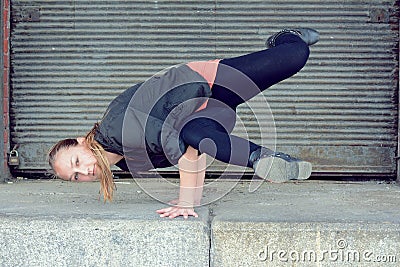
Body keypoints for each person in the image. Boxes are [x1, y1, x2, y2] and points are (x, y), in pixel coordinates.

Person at [48, 28, 319, 219]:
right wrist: (193, 199)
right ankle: (266, 159)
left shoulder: (116, 129)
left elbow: (175, 143)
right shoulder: (127, 162)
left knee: (296, 55)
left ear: (81, 142)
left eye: (76, 162)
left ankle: (287, 36)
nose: (84, 171)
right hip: (204, 116)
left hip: (208, 82)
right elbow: (192, 149)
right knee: (194, 133)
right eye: (75, 177)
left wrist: (187, 199)